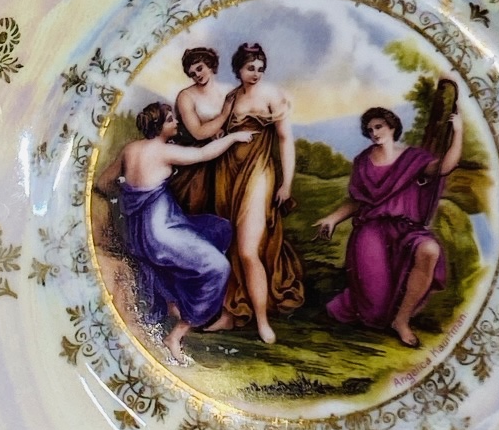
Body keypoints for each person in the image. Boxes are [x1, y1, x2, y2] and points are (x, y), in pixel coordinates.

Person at [94, 102, 254, 355]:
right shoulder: (163, 151)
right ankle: (176, 335)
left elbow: (103, 183)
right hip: (162, 234)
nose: (176, 122)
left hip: (139, 233)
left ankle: (177, 303)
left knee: (219, 229)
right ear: (158, 126)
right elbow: (204, 154)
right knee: (218, 268)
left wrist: (128, 194)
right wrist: (234, 137)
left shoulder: (130, 149)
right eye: (170, 119)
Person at [317, 82, 464, 346]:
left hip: (406, 228)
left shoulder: (413, 158)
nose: (374, 133)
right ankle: (363, 304)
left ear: (392, 126)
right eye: (370, 129)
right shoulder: (363, 161)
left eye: (379, 127)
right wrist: (333, 218)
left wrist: (458, 132)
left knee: (430, 250)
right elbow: (357, 201)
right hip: (371, 230)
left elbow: (445, 167)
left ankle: (402, 321)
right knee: (374, 310)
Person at [191, 41, 302, 344]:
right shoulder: (232, 97)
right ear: (238, 69)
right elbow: (217, 130)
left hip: (259, 172)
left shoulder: (273, 96)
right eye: (250, 68)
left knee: (247, 250)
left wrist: (287, 183)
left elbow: (285, 140)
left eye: (260, 69)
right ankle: (231, 313)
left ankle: (262, 321)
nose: (256, 73)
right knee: (230, 246)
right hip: (228, 173)